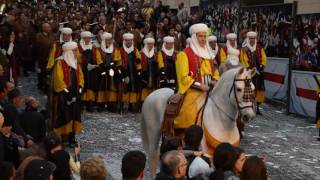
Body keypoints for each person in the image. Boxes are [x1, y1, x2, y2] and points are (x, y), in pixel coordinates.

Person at [174, 23, 220, 130]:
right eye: (200, 36)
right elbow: (183, 78)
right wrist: (200, 85)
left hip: (211, 90)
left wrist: (216, 81)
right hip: (193, 90)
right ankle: (183, 133)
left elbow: (215, 72)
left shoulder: (209, 54)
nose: (203, 39)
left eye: (204, 36)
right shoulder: (184, 54)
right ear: (194, 37)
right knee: (188, 112)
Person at [50, 41, 84, 146]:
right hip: (63, 95)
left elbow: (81, 77)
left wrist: (80, 89)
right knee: (64, 116)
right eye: (74, 50)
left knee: (74, 115)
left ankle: (72, 137)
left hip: (75, 94)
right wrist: (67, 94)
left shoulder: (75, 63)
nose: (76, 52)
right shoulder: (60, 63)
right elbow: (58, 81)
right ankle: (60, 138)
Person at [241, 31, 267, 115]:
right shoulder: (244, 49)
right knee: (249, 89)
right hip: (249, 72)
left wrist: (262, 65)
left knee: (259, 89)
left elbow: (264, 58)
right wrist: (249, 68)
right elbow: (243, 60)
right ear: (248, 39)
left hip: (259, 72)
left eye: (253, 38)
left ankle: (257, 107)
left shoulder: (259, 47)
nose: (252, 40)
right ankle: (249, 107)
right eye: (250, 38)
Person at [97, 32, 122, 112]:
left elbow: (118, 58)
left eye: (110, 40)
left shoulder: (115, 50)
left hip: (112, 71)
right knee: (102, 86)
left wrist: (114, 64)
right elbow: (98, 60)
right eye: (107, 40)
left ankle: (112, 103)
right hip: (102, 71)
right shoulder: (99, 50)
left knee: (112, 86)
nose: (109, 42)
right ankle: (101, 104)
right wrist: (103, 66)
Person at [78, 31, 101, 112]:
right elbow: (77, 58)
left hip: (92, 71)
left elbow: (98, 59)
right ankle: (81, 103)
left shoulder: (94, 48)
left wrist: (95, 65)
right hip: (82, 70)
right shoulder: (79, 48)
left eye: (89, 38)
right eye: (85, 38)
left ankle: (89, 103)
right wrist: (83, 64)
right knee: (82, 85)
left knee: (91, 86)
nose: (87, 39)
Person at [119, 33, 142, 113]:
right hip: (124, 71)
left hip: (133, 72)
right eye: (127, 41)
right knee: (125, 88)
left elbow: (139, 61)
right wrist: (121, 73)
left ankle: (132, 105)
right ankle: (123, 105)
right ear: (124, 41)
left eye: (130, 41)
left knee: (133, 88)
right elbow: (118, 62)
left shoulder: (135, 50)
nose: (129, 42)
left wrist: (139, 70)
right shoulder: (121, 50)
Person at [34, 23, 55, 92]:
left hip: (50, 58)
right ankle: (40, 85)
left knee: (48, 73)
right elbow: (36, 47)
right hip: (41, 58)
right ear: (43, 28)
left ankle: (46, 87)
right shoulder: (38, 36)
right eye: (47, 27)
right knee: (41, 73)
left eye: (49, 27)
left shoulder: (52, 35)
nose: (49, 28)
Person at [140, 37, 158, 102]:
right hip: (144, 74)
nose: (150, 45)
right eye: (149, 44)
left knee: (153, 88)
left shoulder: (156, 54)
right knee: (144, 88)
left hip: (153, 74)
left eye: (152, 44)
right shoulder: (141, 54)